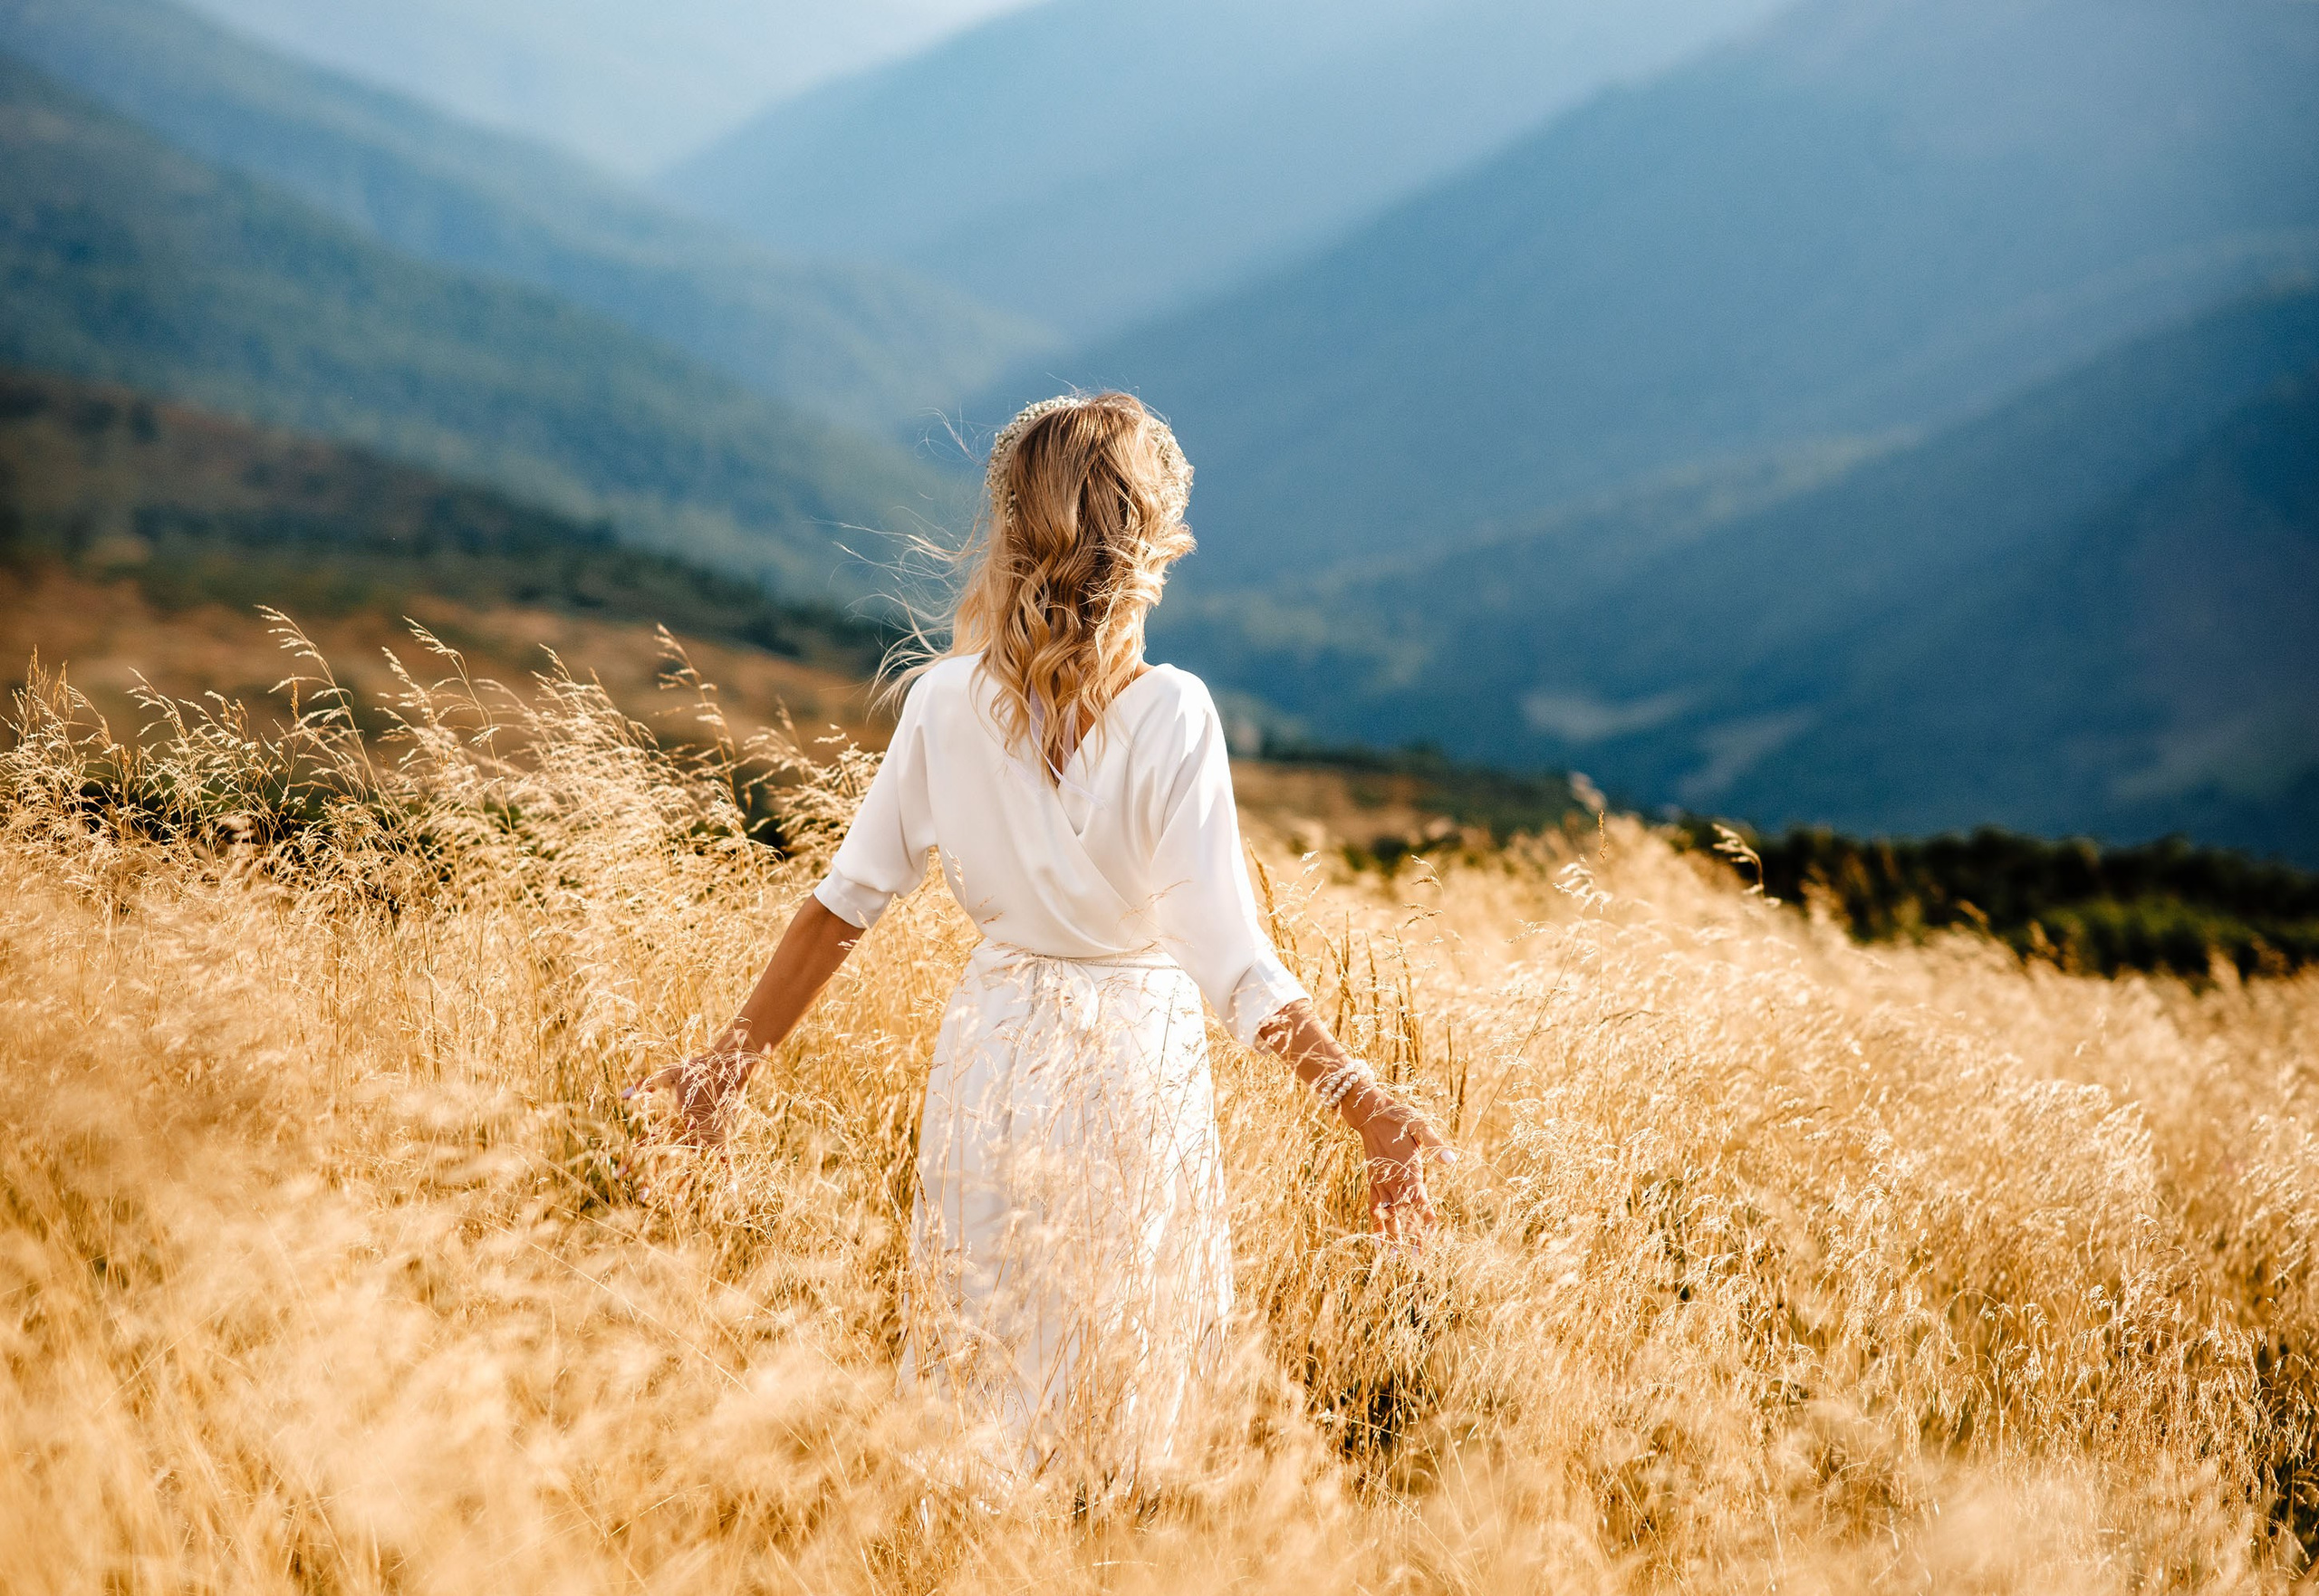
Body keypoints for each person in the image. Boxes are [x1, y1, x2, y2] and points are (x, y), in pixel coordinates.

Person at [629, 390, 1451, 1487]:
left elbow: (843, 905)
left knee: (986, 1375)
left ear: (1010, 530)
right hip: (1133, 1068)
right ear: (1152, 541)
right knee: (1129, 1388)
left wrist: (723, 1070)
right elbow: (1229, 958)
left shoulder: (940, 703)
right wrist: (1366, 1103)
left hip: (996, 1052)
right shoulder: (1173, 715)